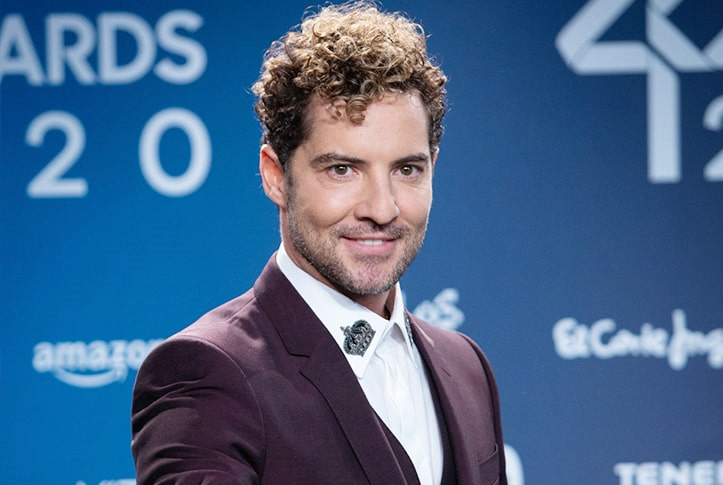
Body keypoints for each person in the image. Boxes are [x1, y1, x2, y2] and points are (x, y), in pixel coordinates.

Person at [131, 2, 506, 483]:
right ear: (275, 175)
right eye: (342, 169)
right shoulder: (208, 371)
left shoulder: (466, 366)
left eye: (406, 169)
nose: (382, 208)